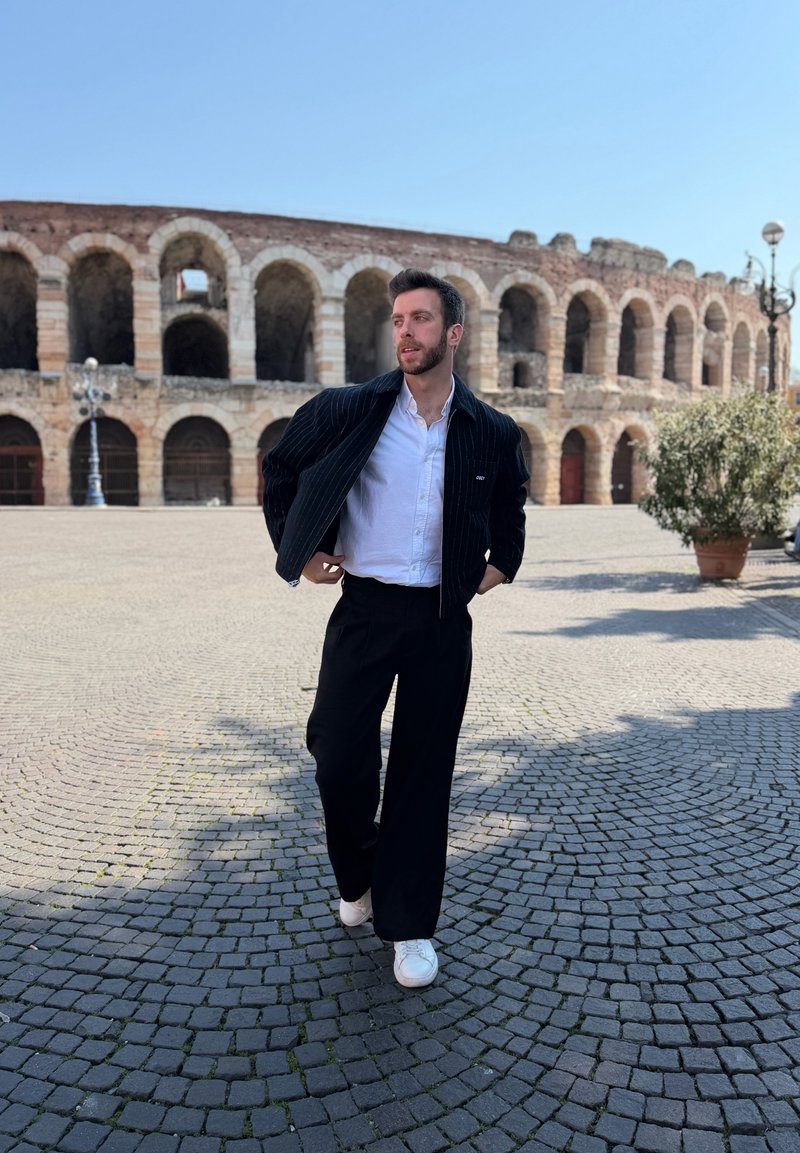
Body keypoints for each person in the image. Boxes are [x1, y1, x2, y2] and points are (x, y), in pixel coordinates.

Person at [262, 269, 528, 988]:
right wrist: (300, 548)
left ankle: (409, 927)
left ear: (453, 333)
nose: (405, 332)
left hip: (442, 616)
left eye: (420, 319)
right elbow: (281, 468)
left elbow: (510, 512)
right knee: (336, 751)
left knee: (423, 769)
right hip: (366, 606)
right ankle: (360, 875)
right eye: (399, 320)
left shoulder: (492, 430)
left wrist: (495, 569)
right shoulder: (350, 409)